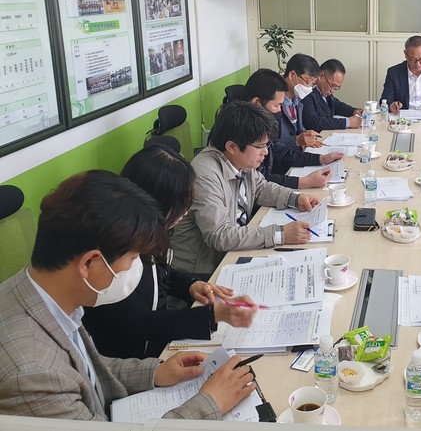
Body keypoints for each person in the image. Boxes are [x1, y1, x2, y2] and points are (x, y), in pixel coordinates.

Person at [0, 171, 255, 420]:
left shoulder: (44, 293)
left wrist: (155, 372)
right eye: (133, 259)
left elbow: (88, 369)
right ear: (89, 263)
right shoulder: (32, 373)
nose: (134, 268)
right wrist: (209, 404)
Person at [83, 145, 257, 359]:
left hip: (161, 343)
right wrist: (213, 315)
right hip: (136, 361)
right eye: (180, 206)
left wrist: (190, 285)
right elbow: (140, 324)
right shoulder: (113, 256)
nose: (185, 213)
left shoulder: (151, 234)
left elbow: (163, 273)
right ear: (152, 202)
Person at [170, 101, 318, 276]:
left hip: (231, 254)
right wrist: (281, 234)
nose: (266, 152)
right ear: (231, 146)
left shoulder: (239, 160)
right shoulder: (204, 175)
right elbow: (219, 236)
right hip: (203, 272)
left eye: (266, 145)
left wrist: (294, 198)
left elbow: (261, 188)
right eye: (260, 146)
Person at [244, 68, 343, 189]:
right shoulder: (244, 134)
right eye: (277, 106)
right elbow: (259, 180)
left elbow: (280, 151)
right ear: (256, 103)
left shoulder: (261, 127)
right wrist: (305, 182)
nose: (280, 111)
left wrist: (321, 159)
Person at [301, 58, 362, 131]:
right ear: (321, 75)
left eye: (336, 87)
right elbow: (313, 122)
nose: (333, 91)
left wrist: (354, 111)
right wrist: (347, 122)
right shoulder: (307, 92)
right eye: (332, 86)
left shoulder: (325, 92)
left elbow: (337, 106)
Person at [279, 53, 323, 148]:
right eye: (308, 81)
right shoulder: (274, 102)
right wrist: (296, 140)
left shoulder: (297, 100)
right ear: (292, 75)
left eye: (312, 84)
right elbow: (268, 144)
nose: (309, 88)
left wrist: (305, 136)